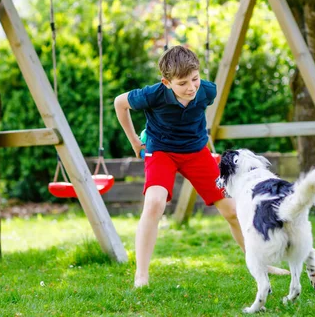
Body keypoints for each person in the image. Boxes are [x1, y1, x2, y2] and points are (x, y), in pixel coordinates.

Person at [114, 45, 288, 287]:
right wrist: (134, 140)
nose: (191, 87)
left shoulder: (207, 91)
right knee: (154, 203)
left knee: (233, 211)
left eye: (194, 79)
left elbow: (199, 100)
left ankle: (261, 263)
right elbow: (119, 103)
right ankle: (141, 275)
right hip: (161, 152)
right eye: (183, 83)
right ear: (166, 82)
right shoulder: (151, 95)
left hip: (196, 153)